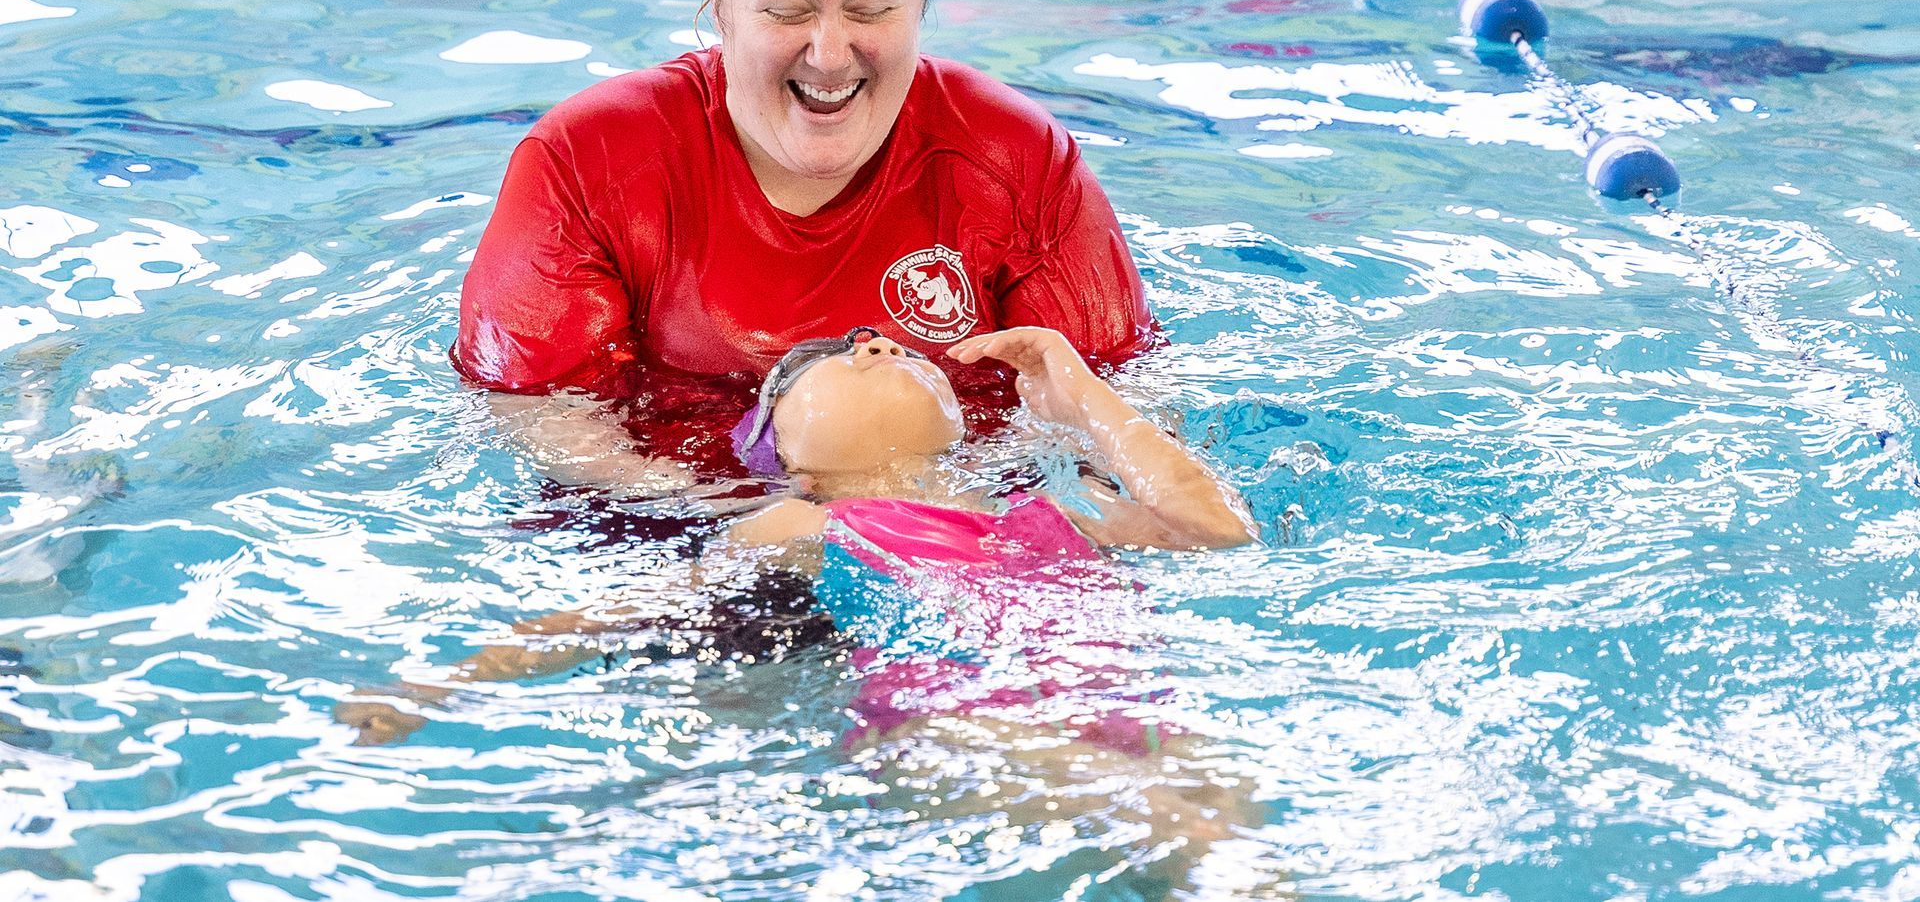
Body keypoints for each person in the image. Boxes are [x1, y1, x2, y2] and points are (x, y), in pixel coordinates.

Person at [341, 326, 1256, 861]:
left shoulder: (1055, 502)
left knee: (1225, 809)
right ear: (786, 453)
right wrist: (436, 686)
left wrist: (1084, 390)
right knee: (1189, 836)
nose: (869, 338)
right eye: (819, 359)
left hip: (1119, 713)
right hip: (947, 731)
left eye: (890, 344)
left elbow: (1217, 533)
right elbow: (614, 614)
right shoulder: (804, 522)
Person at [453, 0, 1151, 407]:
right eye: (786, 10)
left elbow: (1120, 423)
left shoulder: (1017, 164)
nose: (828, 53)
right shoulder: (586, 166)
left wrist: (914, 509)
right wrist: (769, 523)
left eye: (872, 8)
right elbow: (544, 426)